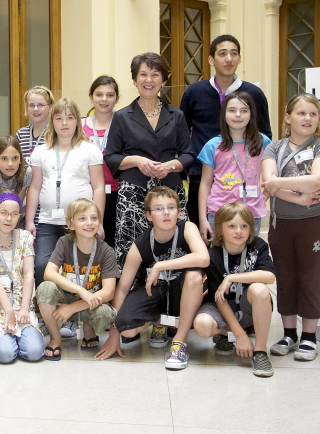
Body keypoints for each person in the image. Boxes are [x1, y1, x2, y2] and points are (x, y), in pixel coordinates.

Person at [95, 187, 209, 370]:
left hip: (183, 292)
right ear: (149, 215)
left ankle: (179, 342)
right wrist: (114, 333)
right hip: (154, 291)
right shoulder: (140, 244)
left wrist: (160, 265)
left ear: (179, 212)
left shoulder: (188, 228)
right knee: (127, 329)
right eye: (159, 208)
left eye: (171, 207)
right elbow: (123, 287)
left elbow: (203, 258)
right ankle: (159, 322)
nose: (166, 213)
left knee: (195, 276)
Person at [262, 93, 320, 361]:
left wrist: (276, 184)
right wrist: (298, 197)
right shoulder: (274, 148)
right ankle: (289, 334)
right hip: (281, 223)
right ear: (287, 117)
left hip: (313, 223)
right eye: (301, 113)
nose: (308, 118)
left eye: (313, 114)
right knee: (285, 276)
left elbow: (316, 180)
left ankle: (309, 337)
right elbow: (267, 182)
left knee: (309, 277)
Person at [103, 53, 195, 267]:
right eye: (143, 74)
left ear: (164, 80)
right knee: (131, 249)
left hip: (170, 191)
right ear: (134, 80)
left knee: (174, 247)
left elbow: (189, 155)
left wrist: (170, 166)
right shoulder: (122, 116)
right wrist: (136, 160)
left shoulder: (177, 115)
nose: (149, 80)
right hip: (133, 192)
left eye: (155, 74)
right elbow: (111, 156)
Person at [180, 34, 273, 227]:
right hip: (201, 175)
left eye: (233, 54)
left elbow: (265, 135)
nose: (228, 59)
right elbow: (182, 133)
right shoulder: (194, 92)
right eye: (222, 54)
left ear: (239, 58)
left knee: (241, 235)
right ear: (211, 59)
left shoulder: (254, 94)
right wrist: (188, 167)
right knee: (203, 232)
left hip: (241, 179)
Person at [26, 97, 105, 289]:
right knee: (42, 266)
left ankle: (77, 304)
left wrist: (99, 222)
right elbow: (34, 187)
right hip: (49, 222)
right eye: (59, 118)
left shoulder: (90, 150)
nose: (64, 123)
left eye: (70, 117)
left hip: (82, 222)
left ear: (77, 121)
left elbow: (98, 187)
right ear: (52, 121)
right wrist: (29, 221)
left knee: (80, 269)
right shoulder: (41, 152)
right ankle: (44, 304)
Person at [192, 202, 276, 377]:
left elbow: (269, 276)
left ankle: (260, 352)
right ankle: (228, 334)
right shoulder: (212, 255)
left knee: (260, 289)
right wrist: (239, 335)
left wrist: (231, 277)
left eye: (244, 226)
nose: (239, 231)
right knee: (202, 324)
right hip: (222, 308)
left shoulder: (258, 245)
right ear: (220, 229)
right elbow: (219, 300)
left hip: (248, 307)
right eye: (231, 226)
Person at [37, 198, 118, 360]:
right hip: (67, 298)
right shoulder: (64, 242)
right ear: (70, 224)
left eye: (94, 218)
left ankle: (89, 329)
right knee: (45, 288)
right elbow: (49, 273)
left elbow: (108, 292)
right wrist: (81, 291)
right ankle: (55, 338)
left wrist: (72, 308)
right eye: (82, 218)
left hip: (91, 302)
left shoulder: (107, 251)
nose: (89, 223)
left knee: (104, 313)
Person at [0, 191, 43, 363]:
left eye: (14, 214)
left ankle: (19, 335)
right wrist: (8, 311)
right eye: (3, 213)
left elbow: (29, 274)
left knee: (34, 353)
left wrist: (24, 308)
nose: (9, 219)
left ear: (19, 216)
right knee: (5, 355)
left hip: (22, 303)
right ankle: (1, 337)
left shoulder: (25, 238)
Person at [197, 91, 272, 242]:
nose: (238, 115)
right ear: (224, 114)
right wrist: (203, 219)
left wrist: (263, 197)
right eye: (232, 110)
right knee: (220, 254)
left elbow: (271, 176)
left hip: (251, 213)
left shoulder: (263, 142)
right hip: (219, 212)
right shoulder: (213, 145)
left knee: (248, 253)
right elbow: (205, 184)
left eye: (244, 110)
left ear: (251, 114)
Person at [83, 75, 120, 247]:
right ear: (91, 97)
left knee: (113, 242)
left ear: (117, 99)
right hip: (88, 193)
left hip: (117, 192)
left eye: (110, 95)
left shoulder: (124, 124)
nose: (104, 99)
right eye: (99, 94)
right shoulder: (80, 126)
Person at [0, 135, 31, 227]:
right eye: (4, 158)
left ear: (20, 159)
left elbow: (17, 207)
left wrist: (14, 232)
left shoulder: (26, 172)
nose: (10, 164)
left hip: (19, 218)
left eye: (15, 158)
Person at [15, 85, 54, 162]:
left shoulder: (55, 134)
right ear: (27, 108)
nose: (36, 109)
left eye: (41, 105)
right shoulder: (21, 134)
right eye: (31, 105)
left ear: (50, 107)